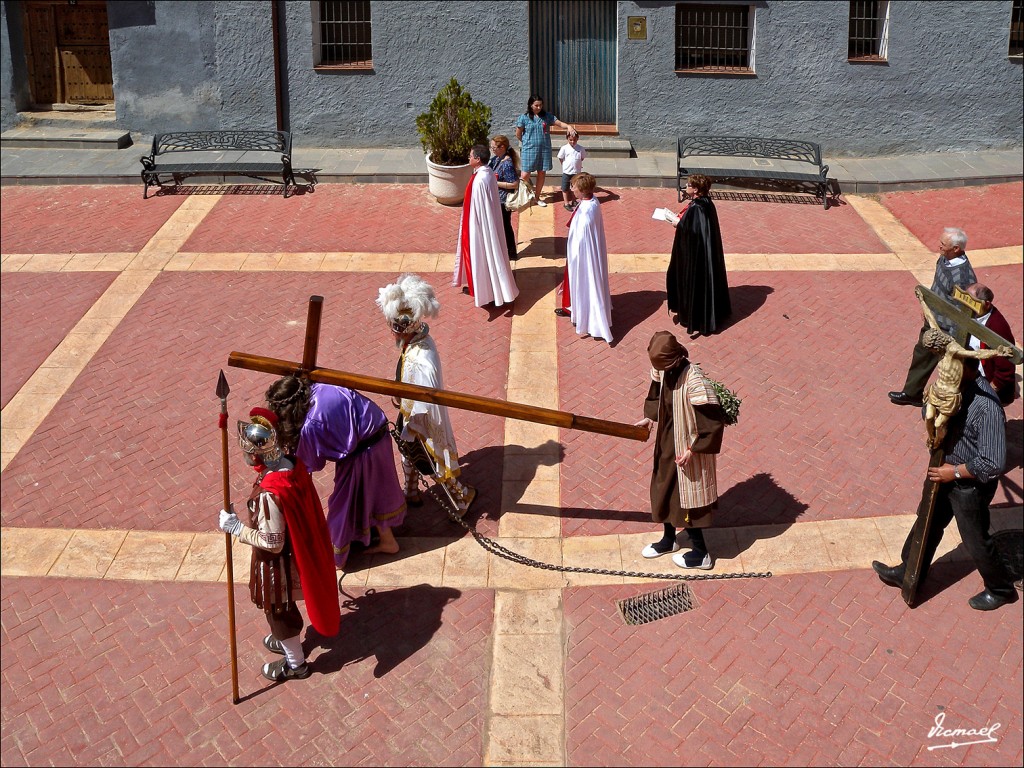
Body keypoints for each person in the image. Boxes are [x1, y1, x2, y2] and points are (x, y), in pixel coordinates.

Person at [872, 357, 1018, 611]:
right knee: (927, 521)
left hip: (969, 485)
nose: (944, 375)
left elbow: (993, 462)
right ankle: (909, 570)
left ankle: (1001, 589)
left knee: (975, 539)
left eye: (954, 371)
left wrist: (956, 473)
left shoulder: (988, 407)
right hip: (944, 473)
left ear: (971, 371)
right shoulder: (951, 388)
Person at [218, 408, 341, 682]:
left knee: (279, 614)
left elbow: (271, 542)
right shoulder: (291, 465)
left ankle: (295, 663)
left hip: (278, 565)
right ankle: (289, 643)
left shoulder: (270, 493)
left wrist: (236, 528)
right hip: (297, 552)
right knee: (282, 615)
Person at [265, 375, 407, 568]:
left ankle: (333, 556)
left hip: (363, 451)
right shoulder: (320, 386)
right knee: (374, 494)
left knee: (343, 504)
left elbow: (311, 464)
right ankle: (387, 540)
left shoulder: (311, 425)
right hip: (376, 431)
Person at [377, 273, 477, 517]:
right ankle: (411, 490)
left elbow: (424, 396)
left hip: (423, 422)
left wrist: (415, 423)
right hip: (409, 415)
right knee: (406, 451)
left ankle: (461, 498)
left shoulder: (422, 357)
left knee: (432, 460)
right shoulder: (414, 343)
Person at [634, 331, 727, 570]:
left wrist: (693, 449)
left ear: (672, 359)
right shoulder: (663, 369)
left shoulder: (694, 380)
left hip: (687, 448)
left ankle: (701, 553)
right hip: (666, 441)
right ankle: (668, 540)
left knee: (688, 500)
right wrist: (649, 417)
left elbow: (712, 423)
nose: (658, 370)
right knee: (662, 488)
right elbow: (656, 390)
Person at [889, 227, 977, 407]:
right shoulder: (945, 259)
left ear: (956, 249)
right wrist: (928, 305)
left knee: (953, 367)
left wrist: (953, 337)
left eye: (943, 245)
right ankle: (912, 393)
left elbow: (963, 309)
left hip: (947, 329)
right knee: (922, 353)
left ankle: (963, 402)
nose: (939, 247)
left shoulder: (962, 277)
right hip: (933, 320)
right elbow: (937, 284)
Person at [453, 144, 520, 308]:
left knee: (483, 257)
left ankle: (486, 292)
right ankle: (486, 288)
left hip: (480, 227)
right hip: (485, 224)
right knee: (488, 258)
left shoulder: (480, 179)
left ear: (477, 159)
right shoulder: (487, 172)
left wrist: (475, 227)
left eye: (470, 156)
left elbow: (479, 207)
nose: (468, 158)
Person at [666, 174, 731, 336]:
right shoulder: (707, 203)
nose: (686, 186)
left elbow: (691, 231)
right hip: (704, 254)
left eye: (688, 185)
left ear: (695, 189)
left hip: (695, 258)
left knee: (694, 284)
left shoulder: (697, 208)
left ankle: (693, 318)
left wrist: (677, 224)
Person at [555, 172, 613, 343]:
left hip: (582, 258)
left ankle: (590, 319)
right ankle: (574, 308)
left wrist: (573, 258)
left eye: (574, 187)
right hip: (579, 255)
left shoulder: (588, 211)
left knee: (585, 284)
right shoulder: (591, 201)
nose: (572, 189)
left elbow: (582, 240)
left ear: (582, 190)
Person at [515, 94, 574, 207]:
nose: (539, 107)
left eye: (540, 105)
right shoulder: (524, 117)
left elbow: (559, 123)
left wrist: (568, 127)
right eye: (536, 105)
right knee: (525, 174)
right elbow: (518, 133)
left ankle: (537, 198)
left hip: (544, 149)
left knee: (541, 172)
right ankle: (519, 197)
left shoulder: (547, 116)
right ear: (531, 105)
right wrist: (526, 142)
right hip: (529, 149)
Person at [965, 282, 1018, 406]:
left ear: (987, 304)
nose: (966, 304)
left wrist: (988, 392)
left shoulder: (997, 327)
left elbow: (1005, 370)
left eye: (971, 301)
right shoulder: (970, 314)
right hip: (971, 376)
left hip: (986, 382)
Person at [488, 135, 520, 261]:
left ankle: (511, 252)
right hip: (497, 199)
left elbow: (514, 183)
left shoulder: (507, 164)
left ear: (502, 147)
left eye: (494, 147)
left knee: (505, 226)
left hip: (503, 201)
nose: (492, 149)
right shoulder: (496, 159)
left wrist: (495, 183)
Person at [556, 129, 586, 210]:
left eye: (574, 140)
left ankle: (574, 200)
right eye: (570, 140)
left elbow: (582, 158)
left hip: (576, 173)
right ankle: (566, 203)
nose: (572, 142)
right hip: (567, 172)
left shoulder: (581, 148)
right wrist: (564, 165)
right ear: (567, 139)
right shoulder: (564, 148)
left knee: (575, 188)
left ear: (577, 139)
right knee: (565, 188)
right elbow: (560, 158)